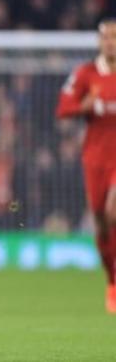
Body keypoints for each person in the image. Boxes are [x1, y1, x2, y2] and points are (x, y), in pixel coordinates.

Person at [56, 19, 116, 314]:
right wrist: (85, 107)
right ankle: (112, 279)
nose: (110, 42)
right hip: (95, 159)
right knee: (101, 223)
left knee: (112, 211)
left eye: (114, 37)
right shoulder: (86, 74)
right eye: (106, 37)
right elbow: (63, 108)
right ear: (99, 41)